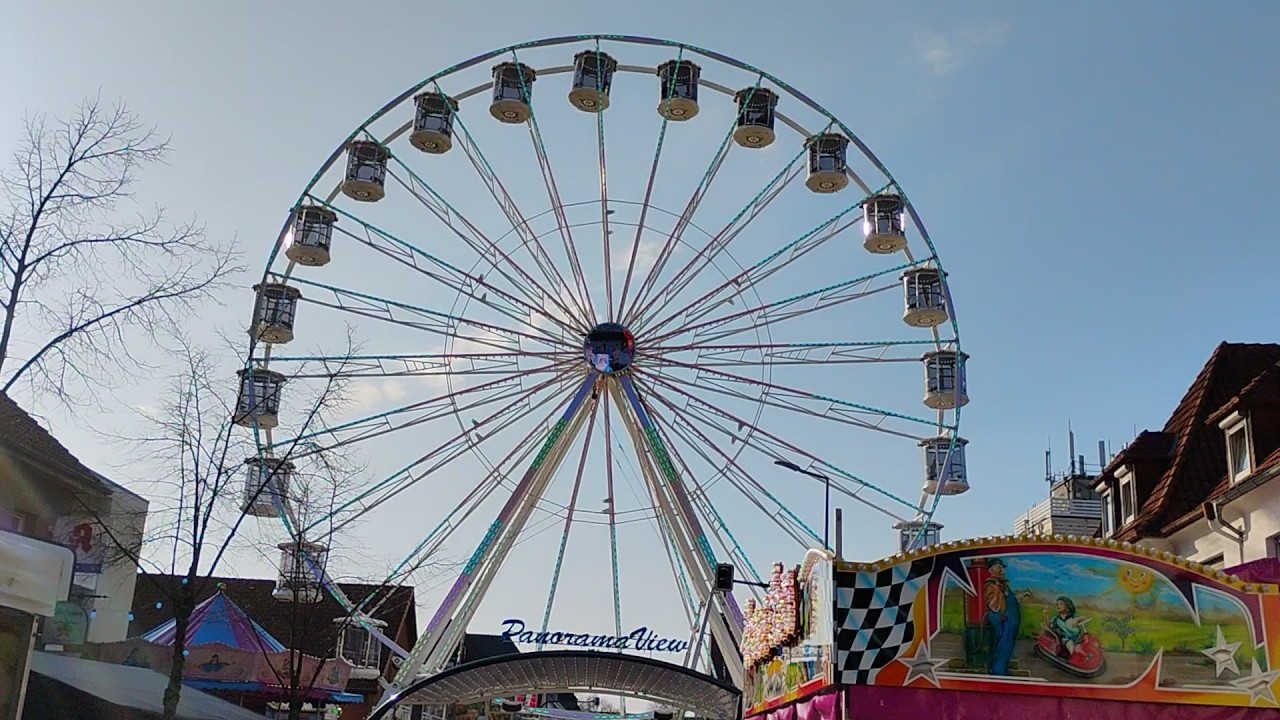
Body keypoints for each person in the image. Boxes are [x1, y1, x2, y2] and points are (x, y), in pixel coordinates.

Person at [983, 558, 1021, 675]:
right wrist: (997, 591)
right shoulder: (992, 585)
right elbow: (992, 606)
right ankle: (998, 669)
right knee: (1003, 645)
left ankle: (1001, 668)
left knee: (1007, 645)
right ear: (991, 570)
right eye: (999, 567)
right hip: (1003, 619)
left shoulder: (1004, 585)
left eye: (1002, 568)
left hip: (1011, 621)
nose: (1002, 570)